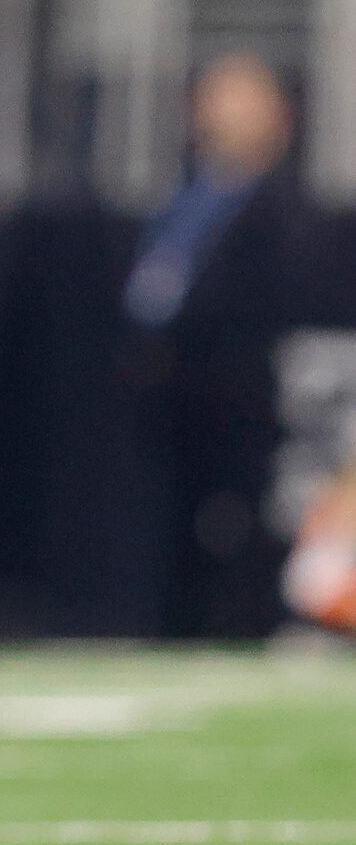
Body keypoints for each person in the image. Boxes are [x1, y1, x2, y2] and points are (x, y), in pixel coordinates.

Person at [121, 52, 310, 638]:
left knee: (238, 538)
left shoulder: (286, 212)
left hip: (240, 408)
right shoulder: (185, 195)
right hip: (170, 404)